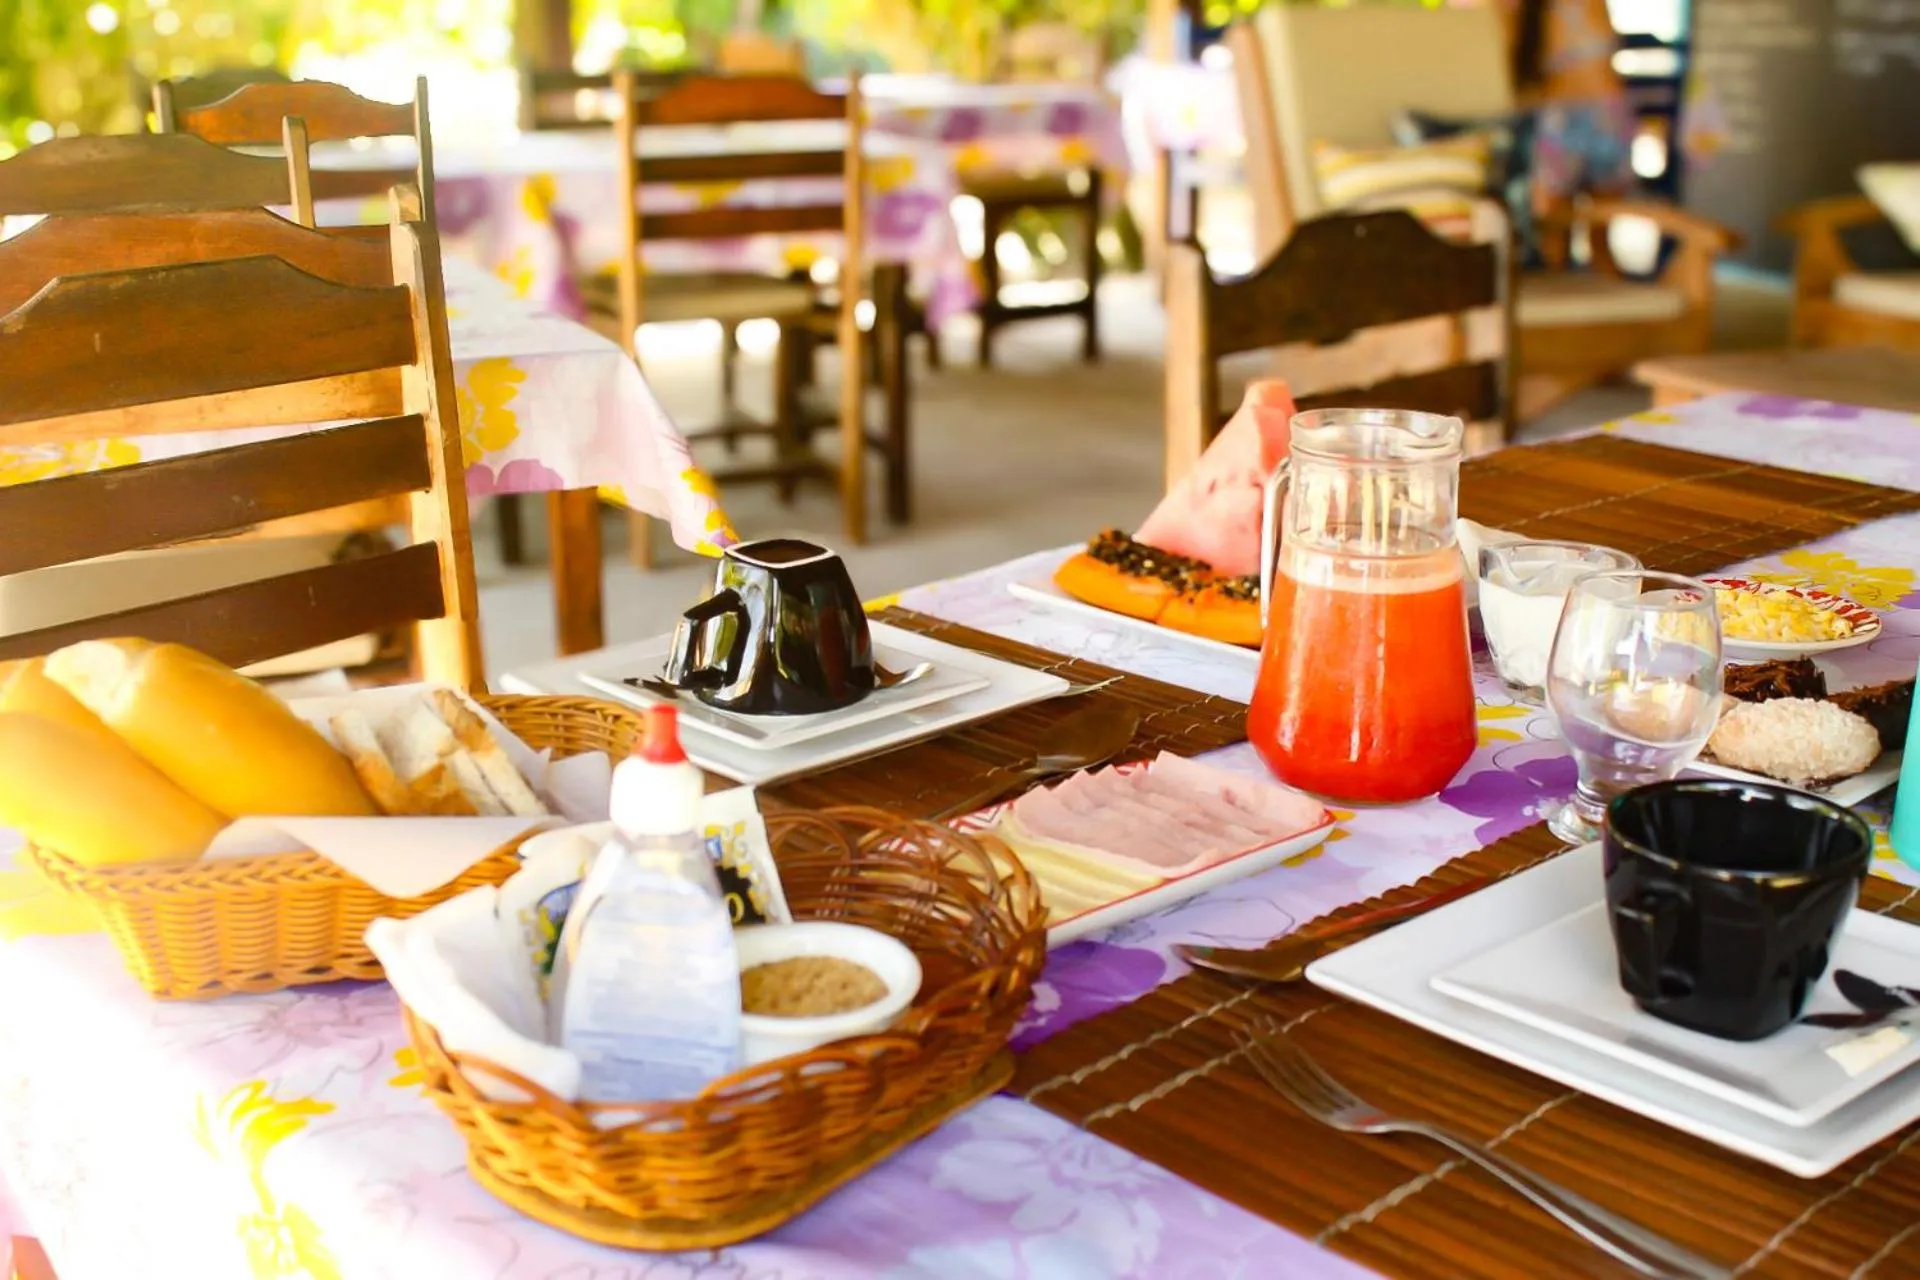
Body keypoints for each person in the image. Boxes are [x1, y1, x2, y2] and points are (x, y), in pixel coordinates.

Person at [1497, 0, 1638, 205]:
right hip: (1560, 121)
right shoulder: (1524, 9)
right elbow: (1520, 78)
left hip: (1608, 117)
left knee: (1603, 218)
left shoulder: (1595, 5)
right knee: (1553, 219)